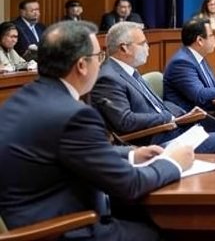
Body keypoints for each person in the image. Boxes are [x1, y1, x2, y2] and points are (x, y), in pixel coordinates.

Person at [0, 20, 195, 240]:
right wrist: (174, 163)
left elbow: (70, 150)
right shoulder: (74, 114)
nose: (101, 64)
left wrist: (131, 154)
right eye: (99, 57)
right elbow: (130, 185)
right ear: (82, 65)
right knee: (170, 232)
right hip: (61, 229)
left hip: (30, 217)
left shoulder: (21, 99)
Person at [91, 22, 215, 153]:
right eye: (143, 43)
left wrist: (183, 115)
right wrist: (167, 117)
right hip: (152, 142)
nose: (148, 47)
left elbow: (157, 105)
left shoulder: (131, 71)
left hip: (171, 129)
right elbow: (125, 121)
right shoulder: (108, 78)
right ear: (124, 48)